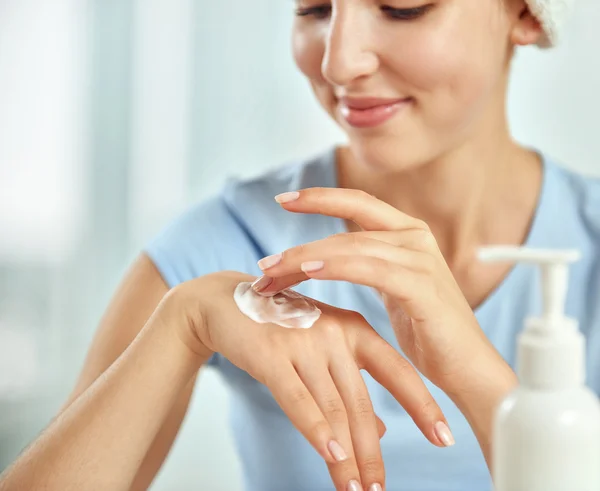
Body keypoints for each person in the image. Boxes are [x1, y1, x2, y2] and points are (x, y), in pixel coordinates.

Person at [1, 0, 598, 490]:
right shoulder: (233, 240)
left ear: (525, 13)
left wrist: (482, 382)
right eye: (314, 9)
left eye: (401, 7)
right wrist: (180, 326)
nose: (339, 63)